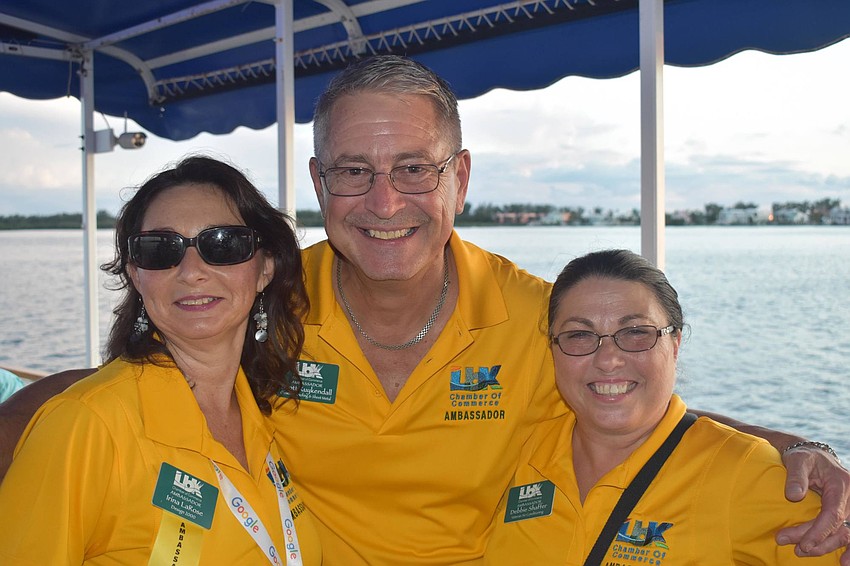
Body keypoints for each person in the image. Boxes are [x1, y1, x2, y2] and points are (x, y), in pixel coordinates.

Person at [0, 56, 848, 564]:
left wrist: (793, 446)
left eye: (414, 169)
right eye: (354, 173)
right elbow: (145, 385)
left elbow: (635, 397)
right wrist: (26, 420)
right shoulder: (266, 293)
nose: (384, 201)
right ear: (321, 184)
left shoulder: (535, 316)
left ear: (460, 180)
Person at [0, 156, 322, 565]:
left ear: (265, 268)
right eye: (160, 249)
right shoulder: (85, 425)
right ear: (136, 274)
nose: (191, 271)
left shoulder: (268, 413)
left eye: (223, 244)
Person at [484, 249, 844, 564]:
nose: (608, 359)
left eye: (637, 332)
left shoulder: (745, 473)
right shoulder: (521, 452)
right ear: (554, 350)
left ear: (674, 344)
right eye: (580, 335)